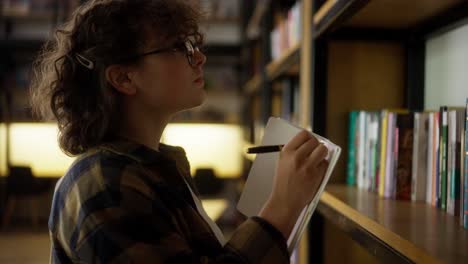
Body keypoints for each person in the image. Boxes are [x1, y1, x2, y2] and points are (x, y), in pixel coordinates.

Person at [30, 0, 329, 263]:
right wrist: (283, 206)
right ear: (123, 78)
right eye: (179, 47)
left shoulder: (147, 167)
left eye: (193, 44)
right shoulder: (105, 184)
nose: (200, 58)